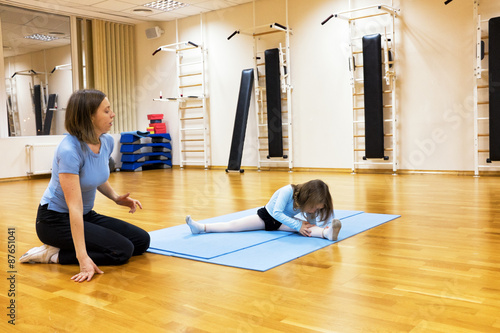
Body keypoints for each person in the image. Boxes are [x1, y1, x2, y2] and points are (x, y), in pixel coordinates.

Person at [20, 89, 150, 282]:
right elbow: (74, 207)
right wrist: (82, 258)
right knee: (122, 251)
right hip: (54, 221)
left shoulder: (105, 142)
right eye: (106, 111)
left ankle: (70, 247)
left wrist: (116, 198)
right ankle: (52, 255)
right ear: (89, 117)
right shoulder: (69, 150)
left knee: (141, 241)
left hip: (85, 215)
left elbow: (95, 176)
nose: (112, 114)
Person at [186, 179, 342, 241]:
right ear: (307, 197)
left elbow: (309, 219)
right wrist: (297, 226)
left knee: (309, 227)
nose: (314, 210)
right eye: (314, 207)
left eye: (317, 209)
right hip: (266, 218)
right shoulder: (287, 191)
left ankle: (326, 234)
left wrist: (314, 226)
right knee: (233, 225)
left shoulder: (308, 204)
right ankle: (201, 228)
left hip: (281, 223)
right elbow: (276, 213)